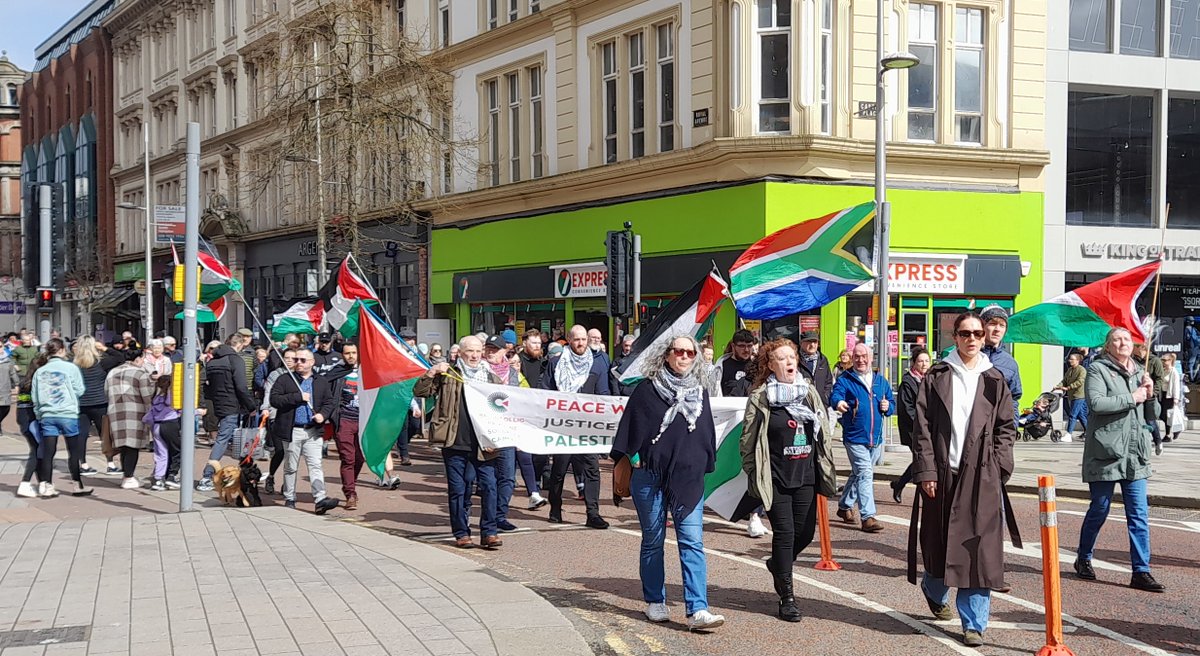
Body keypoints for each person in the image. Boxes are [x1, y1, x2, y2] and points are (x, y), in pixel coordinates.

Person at [908, 312, 1019, 648]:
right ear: (954, 337)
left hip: (981, 475)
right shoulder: (937, 376)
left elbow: (1005, 428)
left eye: (978, 333)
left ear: (985, 338)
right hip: (943, 474)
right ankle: (934, 586)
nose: (972, 339)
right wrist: (926, 470)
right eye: (965, 333)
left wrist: (999, 466)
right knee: (940, 544)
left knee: (979, 551)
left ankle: (974, 623)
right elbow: (922, 427)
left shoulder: (995, 379)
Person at [611, 335, 725, 631]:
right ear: (667, 355)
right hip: (649, 477)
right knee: (652, 540)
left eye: (690, 352)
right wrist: (636, 460)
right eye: (679, 351)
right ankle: (655, 600)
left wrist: (703, 465)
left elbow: (706, 434)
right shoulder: (646, 391)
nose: (685, 357)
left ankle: (698, 609)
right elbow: (627, 433)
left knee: (693, 541)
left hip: (687, 479)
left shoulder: (700, 392)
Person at [740, 338, 837, 622]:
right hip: (776, 477)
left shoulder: (808, 393)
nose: (789, 362)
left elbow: (823, 431)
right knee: (784, 534)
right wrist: (754, 472)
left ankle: (777, 566)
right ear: (770, 366)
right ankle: (787, 597)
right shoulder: (761, 396)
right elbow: (747, 441)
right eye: (781, 358)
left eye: (791, 356)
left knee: (804, 534)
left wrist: (826, 465)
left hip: (806, 474)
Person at [1073, 327, 1165, 593]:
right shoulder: (1097, 369)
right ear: (1109, 345)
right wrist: (1132, 397)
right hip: (1105, 452)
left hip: (1135, 454)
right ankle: (1084, 557)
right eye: (1117, 339)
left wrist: (1150, 392)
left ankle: (1141, 571)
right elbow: (1097, 404)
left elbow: (1152, 413)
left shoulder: (1139, 370)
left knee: (1139, 515)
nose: (1123, 342)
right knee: (1099, 509)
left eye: (1126, 339)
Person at [414, 335, 506, 548]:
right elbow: (420, 391)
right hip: (454, 441)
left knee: (490, 487)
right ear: (460, 353)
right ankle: (461, 533)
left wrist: (498, 437)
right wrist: (431, 372)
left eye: (477, 351)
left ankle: (489, 532)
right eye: (469, 352)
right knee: (459, 489)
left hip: (484, 443)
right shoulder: (449, 374)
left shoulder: (491, 379)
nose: (474, 355)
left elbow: (502, 411)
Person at [539, 325, 610, 529]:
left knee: (592, 470)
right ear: (569, 340)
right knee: (560, 470)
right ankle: (555, 507)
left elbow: (603, 393)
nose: (580, 343)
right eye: (576, 339)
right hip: (564, 426)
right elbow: (546, 392)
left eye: (583, 340)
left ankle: (593, 513)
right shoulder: (555, 363)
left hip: (587, 428)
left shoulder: (597, 365)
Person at [829, 343, 893, 533]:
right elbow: (835, 396)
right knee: (865, 472)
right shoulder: (845, 379)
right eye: (856, 356)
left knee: (859, 473)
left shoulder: (881, 381)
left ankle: (844, 506)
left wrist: (887, 407)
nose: (860, 360)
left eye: (864, 356)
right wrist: (838, 402)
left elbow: (891, 403)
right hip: (854, 436)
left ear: (871, 357)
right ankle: (868, 516)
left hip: (876, 438)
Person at [271, 348, 338, 514]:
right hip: (292, 429)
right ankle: (290, 497)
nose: (298, 363)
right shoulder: (285, 379)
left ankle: (320, 498)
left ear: (312, 362)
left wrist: (323, 415)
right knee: (291, 466)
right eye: (296, 360)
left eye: (302, 360)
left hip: (313, 430)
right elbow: (274, 399)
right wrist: (297, 397)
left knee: (315, 464)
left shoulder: (320, 381)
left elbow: (329, 402)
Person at [31, 339, 90, 497]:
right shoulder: (71, 368)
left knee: (49, 453)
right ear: (62, 350)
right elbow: (79, 389)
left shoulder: (40, 371)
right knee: (73, 452)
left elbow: (35, 397)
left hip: (47, 414)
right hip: (67, 413)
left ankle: (48, 485)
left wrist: (39, 413)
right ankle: (78, 485)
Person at [196, 335, 257, 491]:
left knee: (226, 439)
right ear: (240, 345)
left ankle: (243, 471)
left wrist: (206, 400)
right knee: (224, 440)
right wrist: (251, 406)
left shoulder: (212, 362)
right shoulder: (235, 360)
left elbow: (203, 383)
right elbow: (241, 387)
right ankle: (208, 475)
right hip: (231, 404)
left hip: (215, 403)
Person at [105, 347, 155, 490]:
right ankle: (129, 477)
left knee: (123, 445)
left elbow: (106, 392)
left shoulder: (112, 372)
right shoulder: (140, 373)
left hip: (115, 411)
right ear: (138, 358)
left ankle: (126, 475)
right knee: (133, 445)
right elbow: (147, 395)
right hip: (135, 412)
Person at [327, 343, 365, 510]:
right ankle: (350, 493)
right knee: (348, 458)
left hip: (363, 420)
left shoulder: (367, 371)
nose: (350, 356)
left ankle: (350, 483)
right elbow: (325, 391)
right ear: (342, 355)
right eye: (347, 353)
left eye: (354, 353)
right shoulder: (337, 372)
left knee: (359, 458)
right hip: (344, 420)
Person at [892, 348, 931, 503]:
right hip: (913, 429)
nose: (924, 364)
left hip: (928, 428)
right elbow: (906, 408)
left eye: (927, 361)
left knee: (920, 460)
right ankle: (924, 496)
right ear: (914, 363)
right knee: (920, 460)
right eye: (920, 361)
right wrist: (921, 424)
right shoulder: (908, 382)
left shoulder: (930, 379)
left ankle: (899, 484)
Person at [72, 337, 107, 477]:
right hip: (100, 402)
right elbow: (119, 357)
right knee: (105, 433)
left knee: (81, 434)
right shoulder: (101, 362)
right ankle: (110, 463)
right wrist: (104, 348)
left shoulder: (73, 363)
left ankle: (83, 464)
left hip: (80, 403)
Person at [978, 305, 1022, 418]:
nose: (997, 329)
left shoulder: (1010, 363)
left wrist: (1012, 428)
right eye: (992, 324)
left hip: (997, 429)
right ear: (982, 327)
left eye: (1002, 325)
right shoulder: (969, 355)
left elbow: (1013, 399)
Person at [143, 374, 185, 491]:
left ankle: (158, 478)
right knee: (177, 451)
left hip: (156, 426)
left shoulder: (156, 398)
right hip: (170, 424)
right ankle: (171, 476)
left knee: (161, 454)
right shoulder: (173, 397)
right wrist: (198, 411)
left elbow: (147, 417)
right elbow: (183, 409)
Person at [15, 355, 48, 498]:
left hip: (23, 419)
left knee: (37, 450)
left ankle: (42, 483)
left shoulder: (24, 383)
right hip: (33, 421)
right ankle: (25, 482)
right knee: (36, 452)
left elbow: (22, 405)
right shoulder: (38, 382)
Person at [1131, 342, 1166, 455]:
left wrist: (1153, 392)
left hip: (1149, 395)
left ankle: (1157, 440)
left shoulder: (1154, 360)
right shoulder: (1132, 360)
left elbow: (1160, 378)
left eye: (1135, 347)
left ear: (1142, 348)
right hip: (1137, 393)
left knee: (1150, 419)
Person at [1055, 353, 1088, 436]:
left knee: (1072, 415)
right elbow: (1064, 381)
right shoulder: (1070, 370)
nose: (1070, 361)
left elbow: (1080, 381)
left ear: (1077, 360)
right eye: (1070, 359)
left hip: (1079, 396)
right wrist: (1058, 386)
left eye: (1072, 359)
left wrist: (1068, 387)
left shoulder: (1082, 370)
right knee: (1080, 415)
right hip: (1072, 396)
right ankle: (1089, 432)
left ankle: (1068, 434)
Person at [796, 332, 833, 405]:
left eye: (815, 342)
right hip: (802, 405)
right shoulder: (795, 359)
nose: (812, 345)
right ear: (801, 343)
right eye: (809, 341)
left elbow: (828, 381)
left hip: (821, 404)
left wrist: (825, 397)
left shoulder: (823, 360)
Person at [716, 330, 757, 397]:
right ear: (733, 346)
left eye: (749, 346)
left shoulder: (756, 365)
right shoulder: (722, 366)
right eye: (742, 346)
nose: (746, 350)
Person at [1160, 353, 1184, 444]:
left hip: (1170, 396)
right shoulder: (1163, 370)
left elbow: (1176, 386)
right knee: (1162, 415)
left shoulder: (1174, 372)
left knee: (1168, 416)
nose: (1164, 362)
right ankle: (1172, 431)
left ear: (1171, 361)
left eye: (1165, 360)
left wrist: (1176, 398)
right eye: (1163, 360)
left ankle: (1168, 434)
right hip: (1163, 395)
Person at [1184, 317, 1199, 382]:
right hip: (1195, 348)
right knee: (1194, 364)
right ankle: (1194, 378)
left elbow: (1186, 339)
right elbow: (1194, 338)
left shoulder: (1187, 329)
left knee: (1192, 363)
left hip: (1192, 348)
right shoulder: (1192, 329)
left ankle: (1192, 378)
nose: (1193, 322)